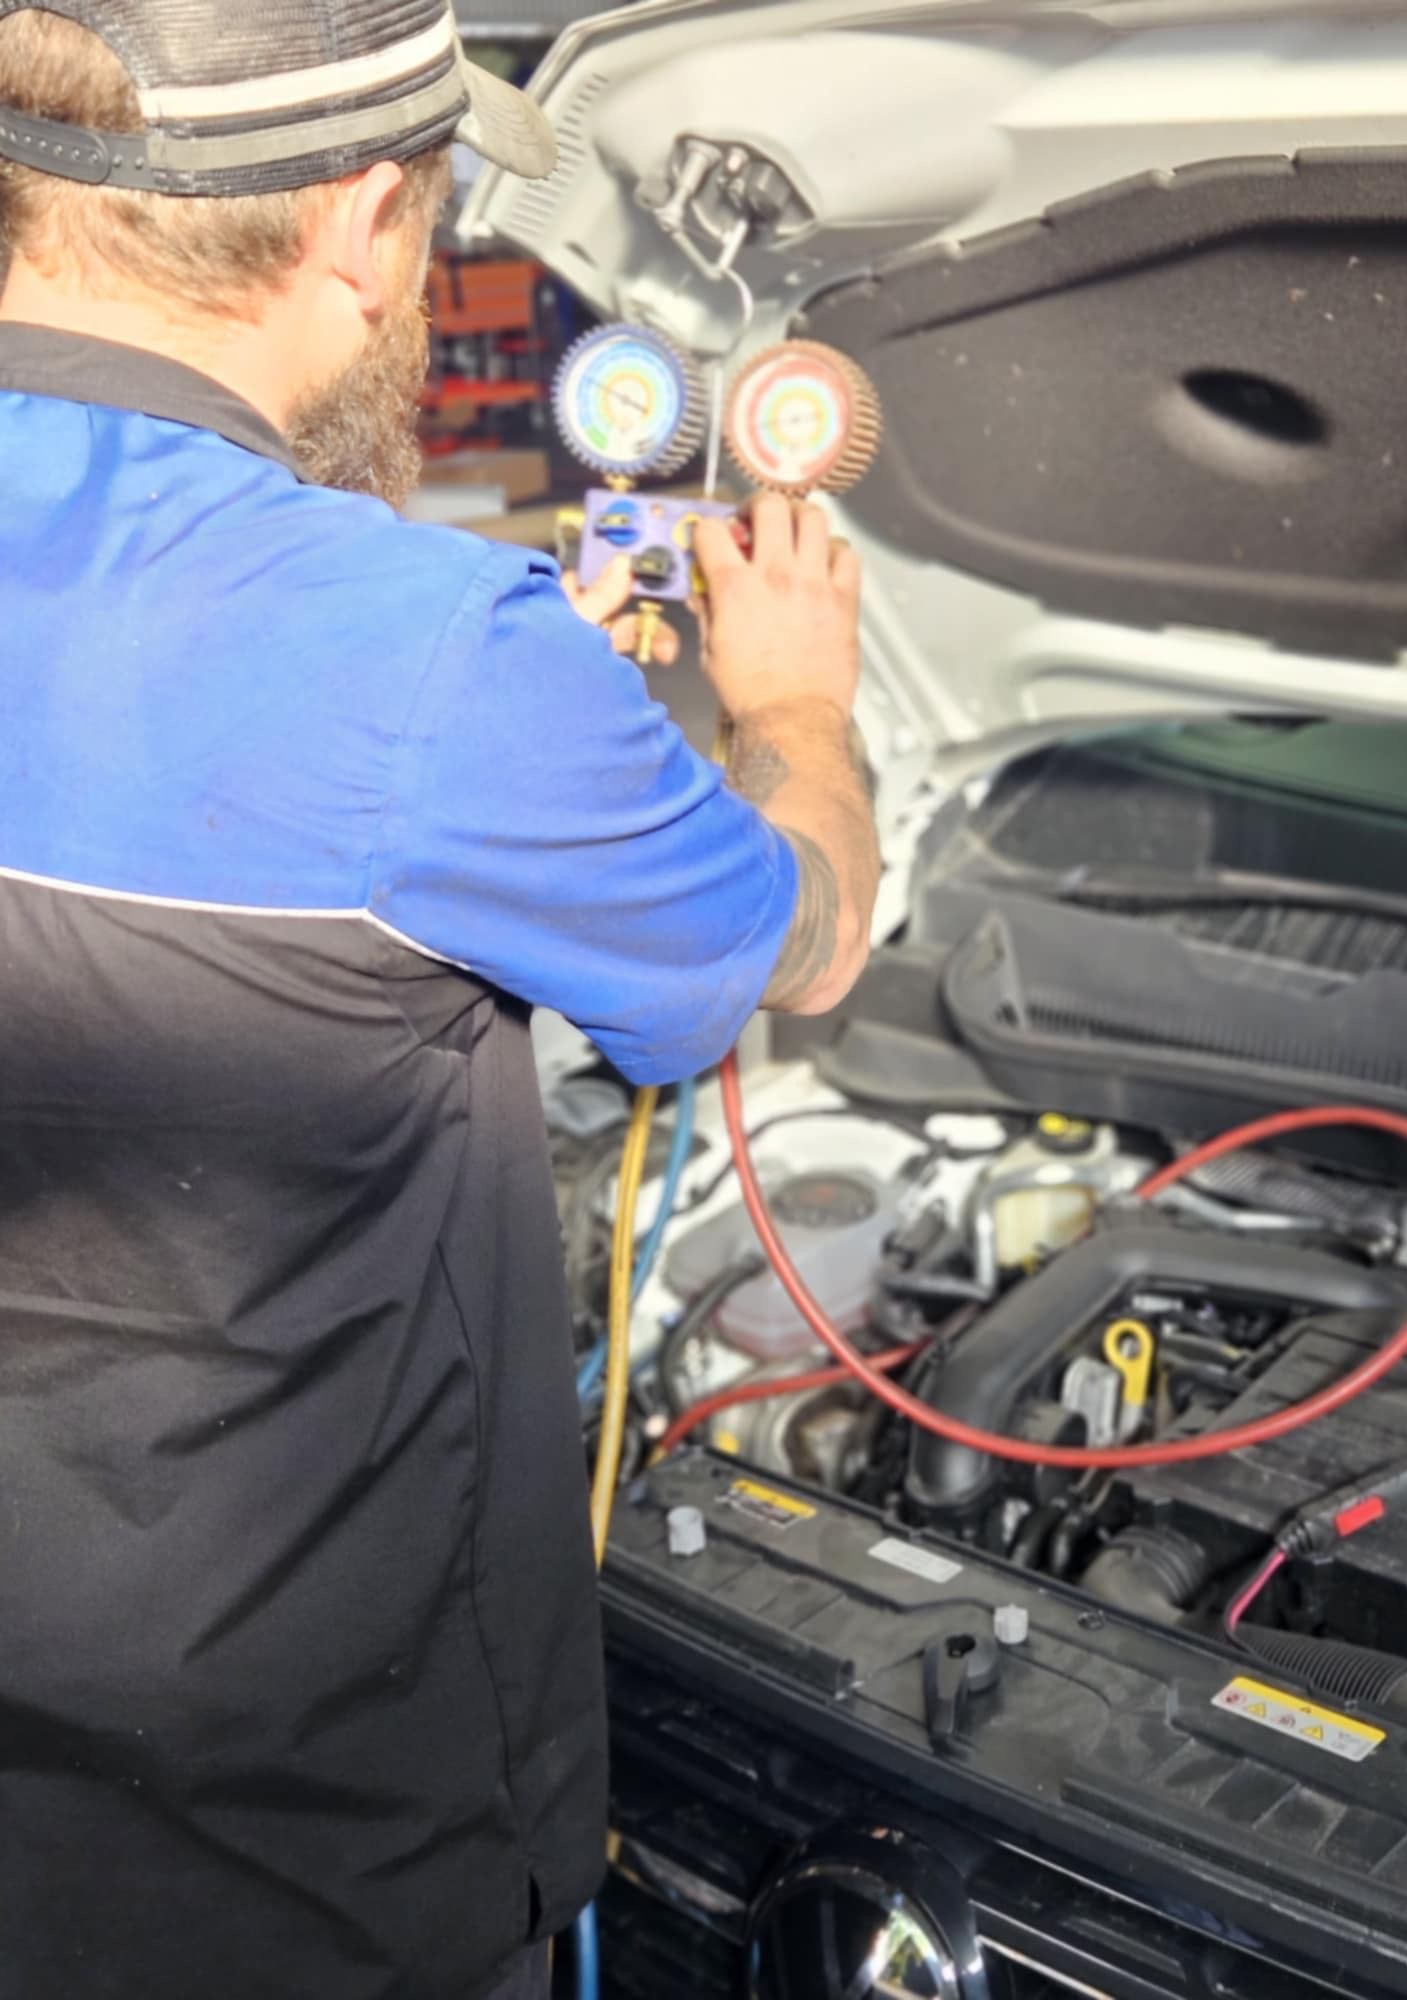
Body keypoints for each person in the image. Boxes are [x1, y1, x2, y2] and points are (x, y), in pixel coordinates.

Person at [0, 3, 878, 1996]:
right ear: (369, 225)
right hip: (293, 1869)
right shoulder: (429, 659)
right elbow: (786, 948)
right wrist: (798, 712)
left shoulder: (435, 663)